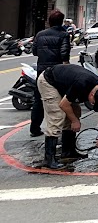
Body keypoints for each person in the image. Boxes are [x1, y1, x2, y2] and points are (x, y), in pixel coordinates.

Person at [36, 63, 98, 169]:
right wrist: (75, 121)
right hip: (49, 82)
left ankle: (68, 151)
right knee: (57, 115)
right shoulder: (81, 84)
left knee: (75, 111)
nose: (94, 105)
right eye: (93, 103)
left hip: (65, 84)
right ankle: (49, 159)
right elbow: (63, 104)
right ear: (91, 95)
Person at [31, 10, 71, 138]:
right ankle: (59, 129)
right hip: (56, 72)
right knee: (59, 99)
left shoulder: (40, 34)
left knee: (38, 100)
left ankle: (34, 128)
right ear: (61, 21)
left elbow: (34, 52)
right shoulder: (64, 35)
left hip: (41, 70)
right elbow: (64, 55)